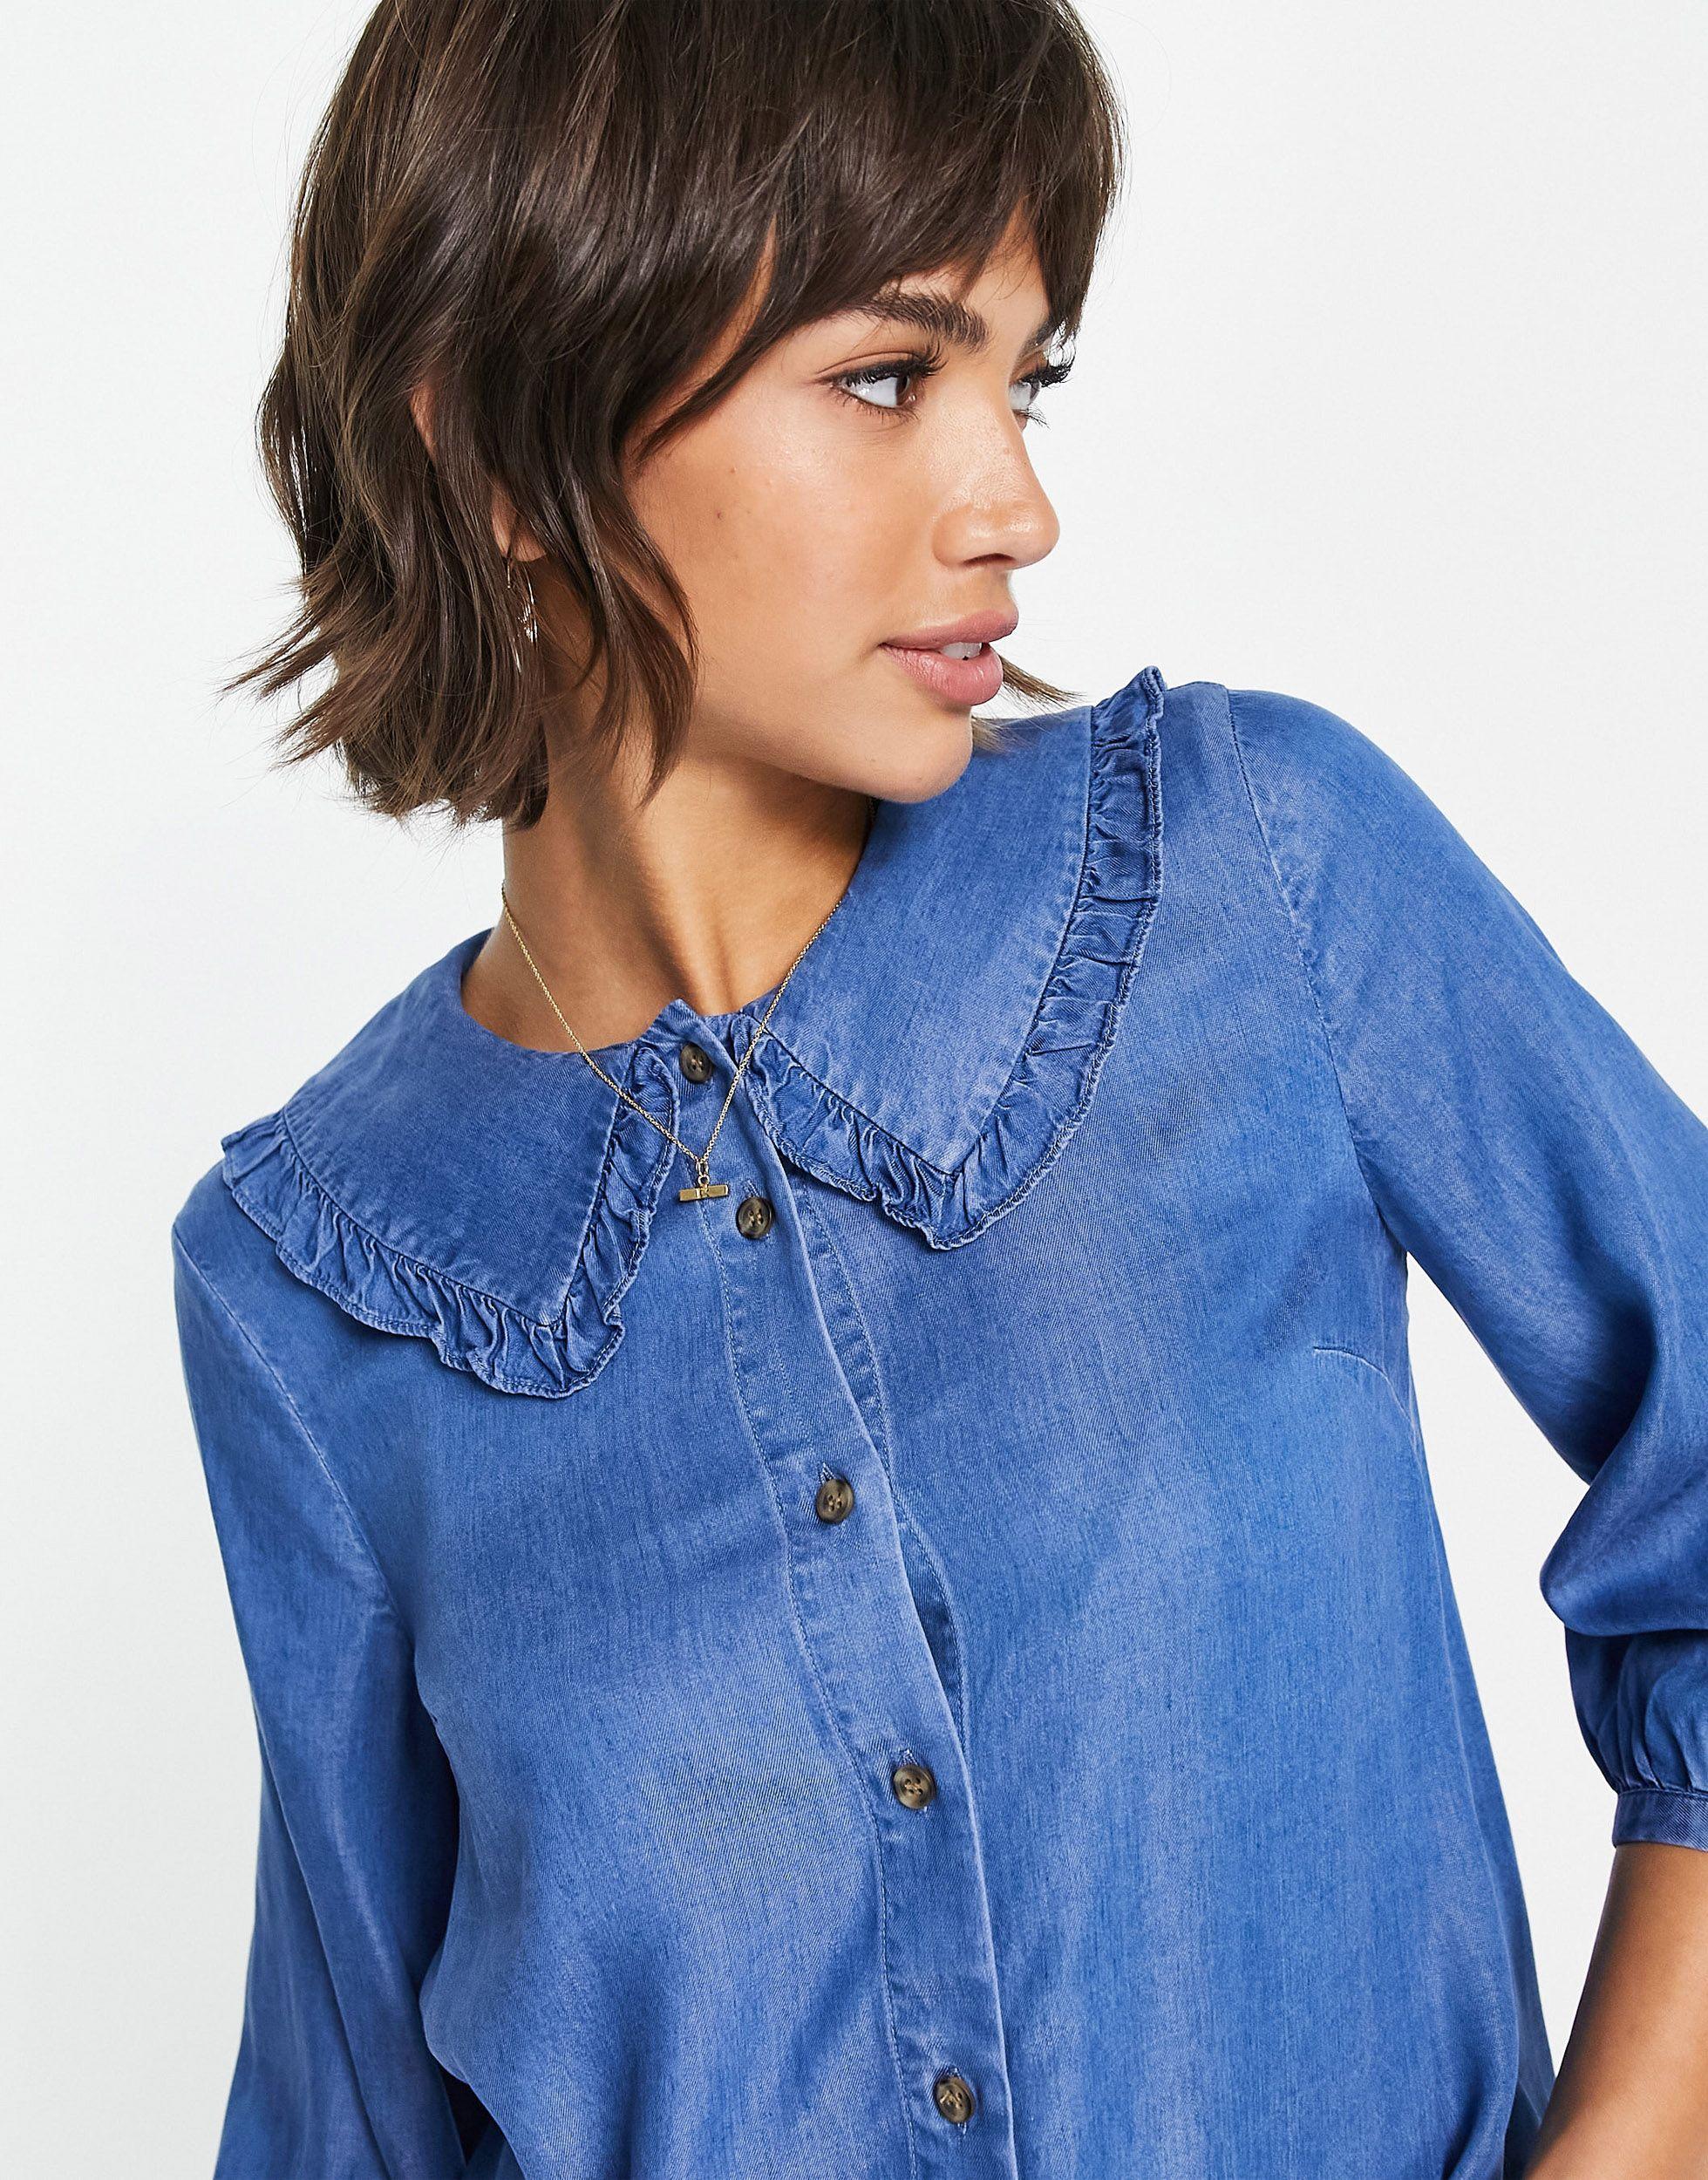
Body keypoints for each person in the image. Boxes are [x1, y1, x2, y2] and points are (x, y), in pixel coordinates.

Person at [169, 3, 1708, 2175]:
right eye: (888, 376)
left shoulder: (1252, 875)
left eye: (1023, 378)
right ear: (496, 448)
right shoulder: (312, 1276)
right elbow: (352, 2111)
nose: (1017, 504)